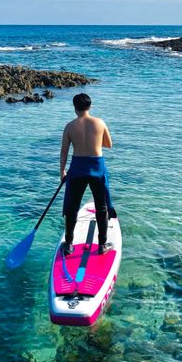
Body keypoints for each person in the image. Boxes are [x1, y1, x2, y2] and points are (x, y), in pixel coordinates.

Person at [60, 93, 116, 256]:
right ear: (90, 107)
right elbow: (109, 144)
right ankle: (102, 244)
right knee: (102, 206)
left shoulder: (70, 126)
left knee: (72, 207)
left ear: (75, 107)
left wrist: (62, 171)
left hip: (77, 168)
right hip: (97, 167)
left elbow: (64, 152)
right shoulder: (99, 123)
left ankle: (69, 244)